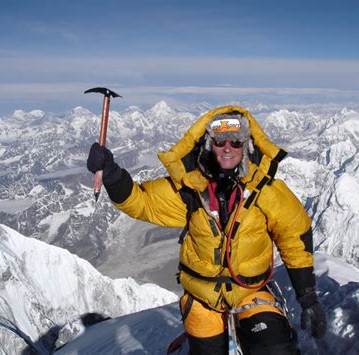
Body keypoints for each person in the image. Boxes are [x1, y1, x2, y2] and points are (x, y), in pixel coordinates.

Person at [87, 105, 326, 354]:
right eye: (220, 141)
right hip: (202, 297)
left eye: (235, 141)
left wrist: (307, 295)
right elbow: (141, 202)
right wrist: (112, 174)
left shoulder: (265, 190)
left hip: (250, 291)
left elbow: (294, 235)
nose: (227, 148)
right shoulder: (190, 189)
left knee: (275, 349)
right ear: (208, 144)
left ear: (247, 145)